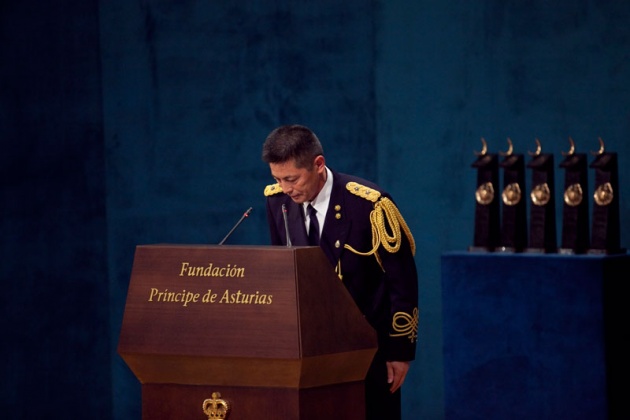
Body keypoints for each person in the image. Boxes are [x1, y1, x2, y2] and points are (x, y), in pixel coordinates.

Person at [261, 124, 419, 419]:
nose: (285, 188)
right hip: (309, 353)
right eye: (278, 180)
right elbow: (285, 272)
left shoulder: (370, 205)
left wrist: (399, 352)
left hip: (366, 351)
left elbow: (403, 284)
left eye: (292, 179)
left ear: (318, 164)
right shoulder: (277, 202)